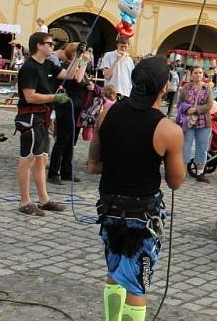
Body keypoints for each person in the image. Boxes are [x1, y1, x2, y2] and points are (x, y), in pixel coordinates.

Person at [86, 56, 185, 321]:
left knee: (114, 271)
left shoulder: (108, 113)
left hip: (109, 206)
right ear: (165, 88)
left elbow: (93, 165)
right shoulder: (168, 129)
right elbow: (176, 181)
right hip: (141, 214)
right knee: (137, 285)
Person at [15, 32, 72, 216]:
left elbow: (71, 75)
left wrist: (81, 58)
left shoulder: (49, 64)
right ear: (39, 46)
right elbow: (30, 96)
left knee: (41, 159)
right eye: (49, 43)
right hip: (30, 117)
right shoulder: (29, 68)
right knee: (28, 158)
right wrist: (54, 97)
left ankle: (44, 199)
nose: (52, 46)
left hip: (43, 117)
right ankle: (25, 202)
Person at [48, 42, 92, 185]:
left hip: (77, 107)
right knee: (62, 139)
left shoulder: (79, 66)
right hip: (66, 106)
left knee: (71, 140)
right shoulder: (66, 67)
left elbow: (83, 80)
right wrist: (81, 59)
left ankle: (67, 171)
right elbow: (76, 78)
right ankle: (53, 172)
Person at [175, 67, 217, 183]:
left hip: (204, 122)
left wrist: (195, 109)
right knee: (185, 146)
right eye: (195, 73)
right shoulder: (185, 88)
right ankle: (182, 172)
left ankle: (200, 173)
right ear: (191, 74)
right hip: (188, 122)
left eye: (200, 73)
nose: (198, 75)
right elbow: (179, 103)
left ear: (203, 74)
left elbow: (209, 105)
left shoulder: (207, 88)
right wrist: (186, 108)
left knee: (202, 147)